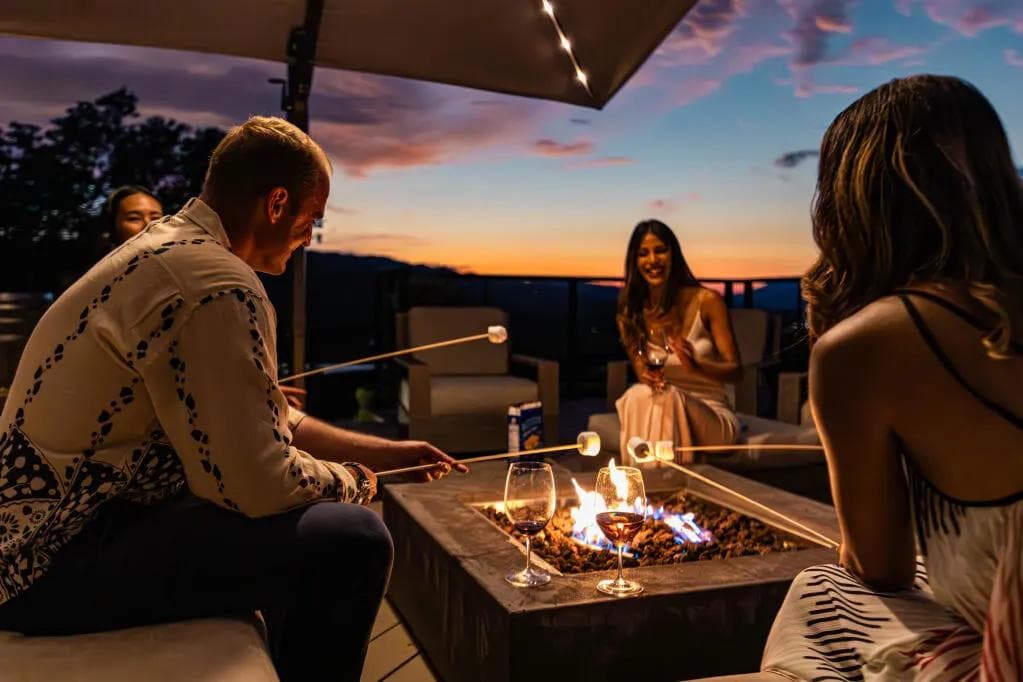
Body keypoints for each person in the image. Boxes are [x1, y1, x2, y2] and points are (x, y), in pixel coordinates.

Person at [0, 116, 464, 682]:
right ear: (276, 204)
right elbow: (259, 484)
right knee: (353, 538)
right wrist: (361, 480)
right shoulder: (217, 285)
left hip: (40, 538)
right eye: (311, 219)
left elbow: (272, 419)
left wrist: (391, 451)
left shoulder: (166, 250)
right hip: (48, 562)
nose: (309, 236)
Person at [761, 75, 1023, 680]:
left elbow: (880, 566)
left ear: (854, 200)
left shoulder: (872, 343)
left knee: (819, 593)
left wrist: (834, 345)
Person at [615, 220, 743, 460]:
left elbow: (736, 372)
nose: (652, 260)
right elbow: (643, 372)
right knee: (637, 394)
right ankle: (641, 490)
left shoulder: (707, 302)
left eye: (660, 250)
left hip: (712, 416)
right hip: (664, 408)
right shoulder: (630, 313)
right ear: (635, 262)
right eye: (643, 254)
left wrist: (697, 365)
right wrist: (648, 376)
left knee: (666, 398)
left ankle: (662, 486)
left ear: (674, 253)